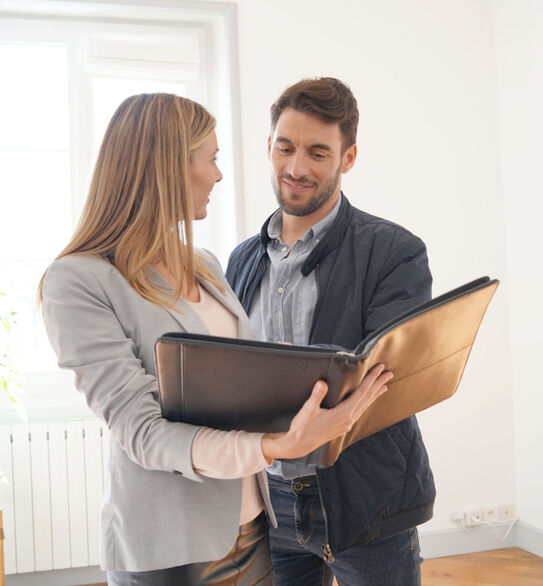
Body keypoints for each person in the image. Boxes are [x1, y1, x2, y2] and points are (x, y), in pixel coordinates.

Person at [38, 93, 393, 586]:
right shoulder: (78, 280)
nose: (220, 175)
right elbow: (143, 434)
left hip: (251, 526)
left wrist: (293, 378)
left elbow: (229, 382)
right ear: (168, 169)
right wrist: (277, 445)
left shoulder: (202, 263)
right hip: (173, 549)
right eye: (212, 159)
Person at [226, 77, 436, 586]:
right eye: (286, 148)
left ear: (349, 158)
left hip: (367, 500)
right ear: (269, 146)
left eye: (318, 153)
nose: (297, 168)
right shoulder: (241, 260)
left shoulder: (395, 251)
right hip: (270, 503)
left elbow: (386, 379)